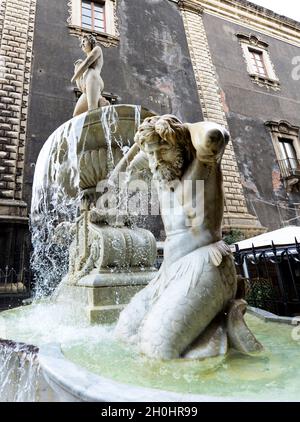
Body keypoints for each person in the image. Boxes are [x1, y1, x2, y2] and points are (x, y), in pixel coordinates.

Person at [114, 115, 241, 359]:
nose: (156, 159)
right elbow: (124, 169)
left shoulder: (203, 163)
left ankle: (213, 346)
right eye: (151, 153)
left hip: (206, 263)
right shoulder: (159, 167)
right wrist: (146, 142)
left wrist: (182, 128)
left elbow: (214, 135)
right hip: (170, 271)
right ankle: (209, 336)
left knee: (157, 347)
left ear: (181, 144)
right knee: (125, 332)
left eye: (163, 150)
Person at [71, 34, 108, 117]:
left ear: (91, 41)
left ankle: (100, 101)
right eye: (81, 43)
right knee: (76, 115)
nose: (82, 44)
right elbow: (81, 86)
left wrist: (73, 78)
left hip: (94, 78)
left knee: (92, 109)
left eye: (84, 41)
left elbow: (87, 63)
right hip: (86, 86)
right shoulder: (81, 62)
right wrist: (77, 67)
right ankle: (101, 100)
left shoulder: (97, 49)